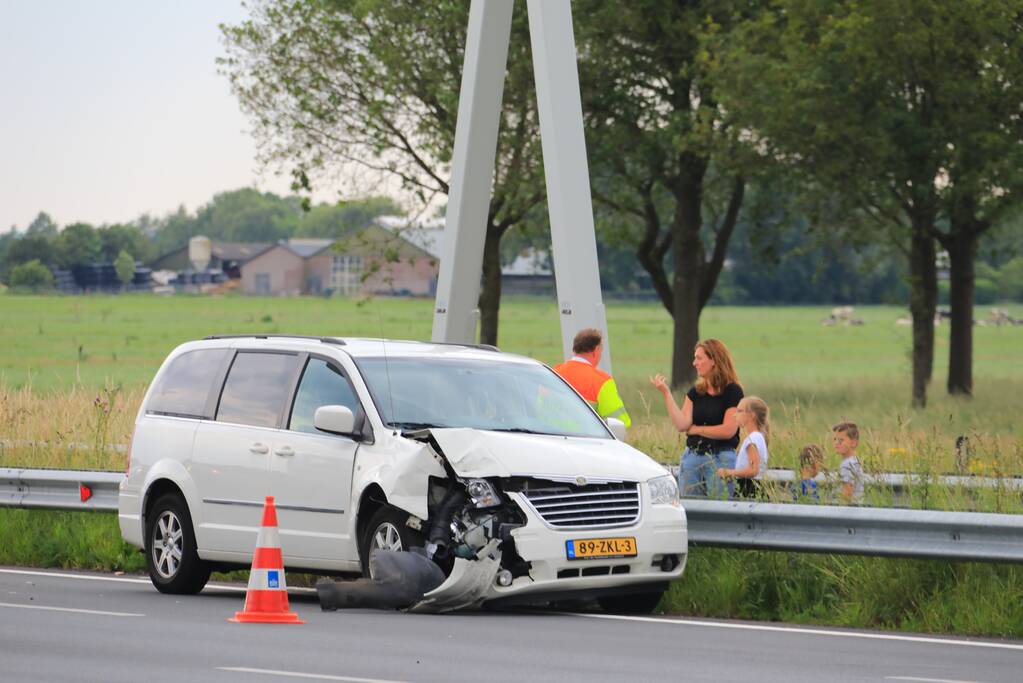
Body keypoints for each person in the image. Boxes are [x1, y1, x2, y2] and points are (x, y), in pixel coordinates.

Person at [650, 339, 743, 498]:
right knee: (690, 508)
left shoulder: (732, 391)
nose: (695, 363)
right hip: (693, 457)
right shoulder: (696, 391)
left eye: (699, 358)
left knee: (720, 508)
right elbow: (682, 424)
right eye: (695, 358)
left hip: (720, 458)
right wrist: (666, 393)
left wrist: (697, 430)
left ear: (713, 360)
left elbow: (728, 430)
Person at [553, 328, 631, 429]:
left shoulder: (553, 374)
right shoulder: (602, 381)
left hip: (550, 440)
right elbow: (620, 423)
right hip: (586, 442)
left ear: (574, 349)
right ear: (597, 350)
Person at [716, 396, 769, 498]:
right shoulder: (757, 437)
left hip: (748, 488)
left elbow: (753, 470)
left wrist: (729, 472)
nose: (735, 415)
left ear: (752, 415)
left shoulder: (752, 440)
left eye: (740, 411)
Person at [833, 422, 864, 504]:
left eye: (841, 440)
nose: (836, 443)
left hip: (848, 509)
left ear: (853, 443)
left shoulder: (847, 465)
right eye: (835, 439)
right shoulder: (854, 461)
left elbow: (847, 492)